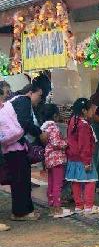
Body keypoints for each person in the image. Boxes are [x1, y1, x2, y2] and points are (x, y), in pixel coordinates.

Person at [5, 84, 48, 221]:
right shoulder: (24, 100)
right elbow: (25, 122)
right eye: (39, 95)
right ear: (30, 93)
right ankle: (20, 212)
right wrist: (40, 133)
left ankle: (26, 210)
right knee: (20, 180)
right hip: (14, 148)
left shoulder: (17, 101)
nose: (40, 99)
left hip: (15, 146)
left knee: (22, 180)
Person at [65, 98, 99, 215]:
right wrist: (87, 162)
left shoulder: (73, 120)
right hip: (83, 158)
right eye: (90, 109)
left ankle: (79, 205)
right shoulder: (84, 125)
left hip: (73, 157)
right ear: (84, 110)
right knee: (90, 181)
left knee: (76, 181)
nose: (93, 111)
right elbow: (85, 144)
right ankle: (89, 206)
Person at [40, 103, 72, 219]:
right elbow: (56, 143)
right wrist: (66, 142)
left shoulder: (44, 127)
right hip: (57, 159)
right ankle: (57, 208)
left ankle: (52, 205)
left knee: (51, 183)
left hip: (49, 159)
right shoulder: (53, 127)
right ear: (55, 115)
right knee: (58, 184)